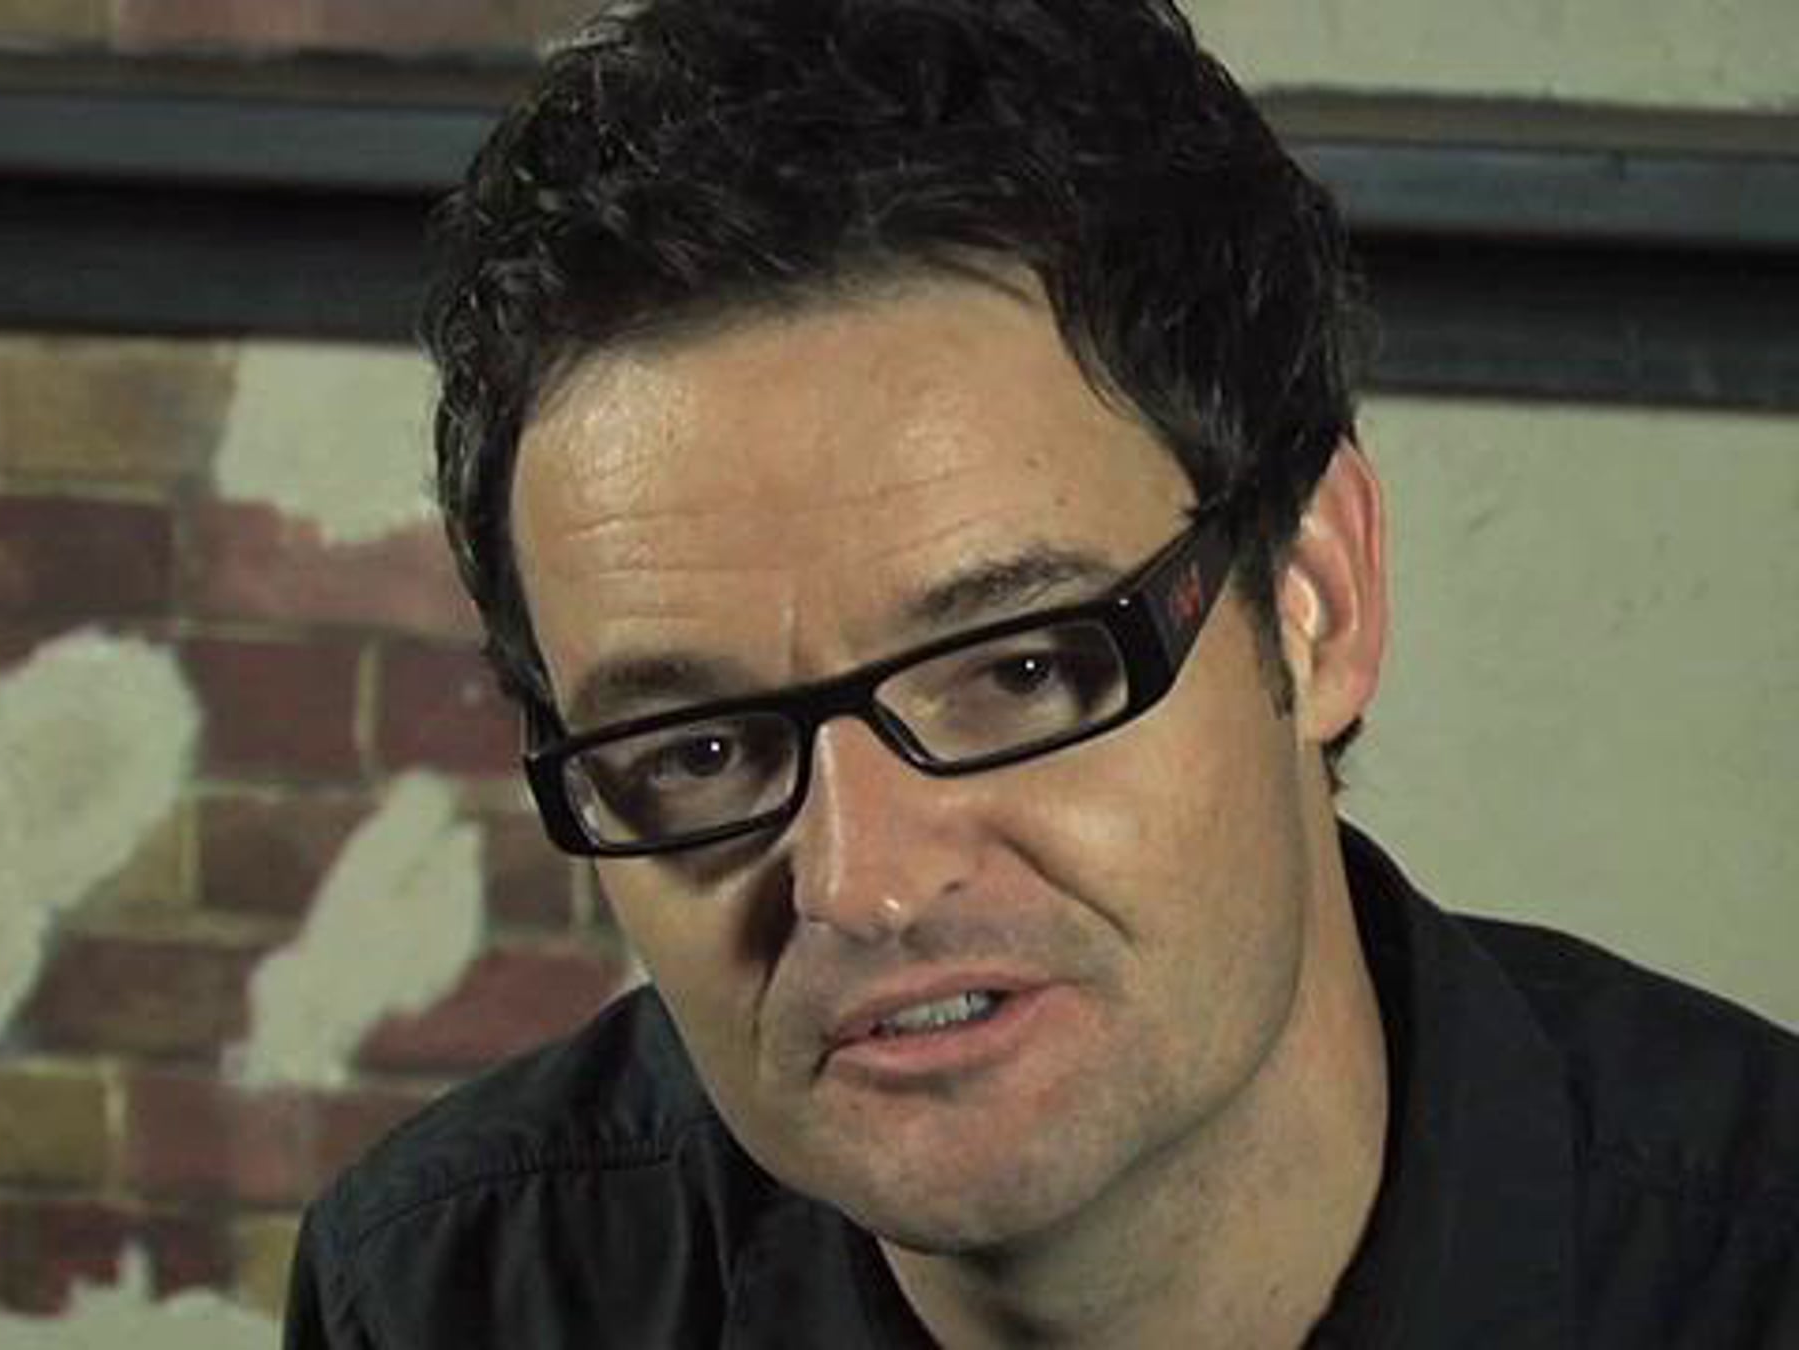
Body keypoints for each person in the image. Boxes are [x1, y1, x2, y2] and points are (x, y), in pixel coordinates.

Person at [281, 0, 1799, 1344]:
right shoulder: (445, 1299)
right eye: (700, 751)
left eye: (1016, 671)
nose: (864, 886)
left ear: (1316, 600)